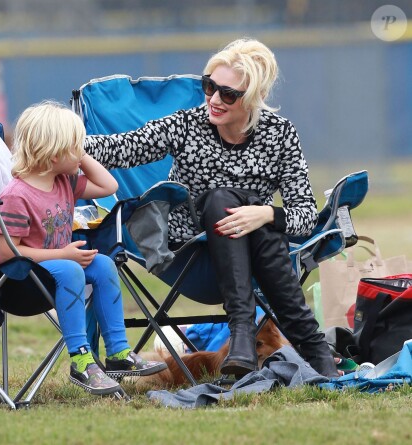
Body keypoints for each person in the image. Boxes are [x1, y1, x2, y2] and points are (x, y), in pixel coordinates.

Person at [84, 38, 339, 378]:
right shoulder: (188, 125)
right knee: (221, 199)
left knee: (262, 227)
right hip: (189, 255)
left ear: (255, 99)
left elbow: (305, 215)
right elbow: (122, 148)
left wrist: (265, 213)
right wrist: (56, 139)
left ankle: (247, 338)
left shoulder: (280, 135)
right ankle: (307, 346)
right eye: (209, 86)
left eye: (228, 94)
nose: (214, 99)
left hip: (253, 253)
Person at [0, 101, 167, 396]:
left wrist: (80, 156)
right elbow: (7, 252)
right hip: (22, 283)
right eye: (77, 146)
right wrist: (62, 255)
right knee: (72, 268)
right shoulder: (16, 195)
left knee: (104, 265)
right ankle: (81, 360)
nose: (83, 152)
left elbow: (109, 185)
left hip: (59, 273)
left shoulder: (65, 183)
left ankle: (118, 354)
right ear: (54, 152)